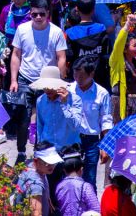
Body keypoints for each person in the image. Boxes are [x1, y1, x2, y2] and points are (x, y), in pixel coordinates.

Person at [8, 0, 67, 162]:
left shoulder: (56, 32)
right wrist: (13, 80)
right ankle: (21, 152)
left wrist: (59, 81)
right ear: (30, 14)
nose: (38, 17)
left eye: (42, 14)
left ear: (48, 13)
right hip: (25, 79)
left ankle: (41, 154)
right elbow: (16, 55)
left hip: (47, 82)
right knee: (23, 118)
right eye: (35, 14)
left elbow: (61, 57)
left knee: (45, 119)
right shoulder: (22, 30)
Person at [64, 54, 114, 185]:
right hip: (72, 138)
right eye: (75, 75)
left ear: (91, 74)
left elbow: (106, 120)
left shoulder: (102, 93)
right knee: (70, 177)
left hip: (92, 140)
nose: (77, 79)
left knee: (90, 178)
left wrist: (105, 146)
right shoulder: (68, 90)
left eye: (81, 76)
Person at [66, 0, 113, 91]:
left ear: (77, 9)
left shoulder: (71, 33)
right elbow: (106, 52)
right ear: (93, 10)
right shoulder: (101, 29)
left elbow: (69, 56)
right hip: (99, 76)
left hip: (78, 79)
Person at [110, 13, 136, 120]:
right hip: (123, 107)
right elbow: (118, 44)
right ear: (125, 48)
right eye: (134, 46)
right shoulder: (116, 61)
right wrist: (127, 24)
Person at [33, 66, 80, 150]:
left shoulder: (74, 99)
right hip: (47, 149)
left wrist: (64, 104)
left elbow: (75, 126)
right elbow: (40, 126)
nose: (47, 89)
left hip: (68, 149)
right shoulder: (40, 100)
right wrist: (39, 148)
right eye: (45, 86)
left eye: (51, 85)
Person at [14, 142, 63, 215]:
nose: (52, 166)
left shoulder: (35, 168)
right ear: (36, 161)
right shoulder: (35, 185)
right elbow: (36, 213)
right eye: (47, 163)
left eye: (54, 162)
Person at [55, 145, 101, 216]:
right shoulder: (86, 187)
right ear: (81, 169)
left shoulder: (59, 186)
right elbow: (96, 210)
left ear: (64, 170)